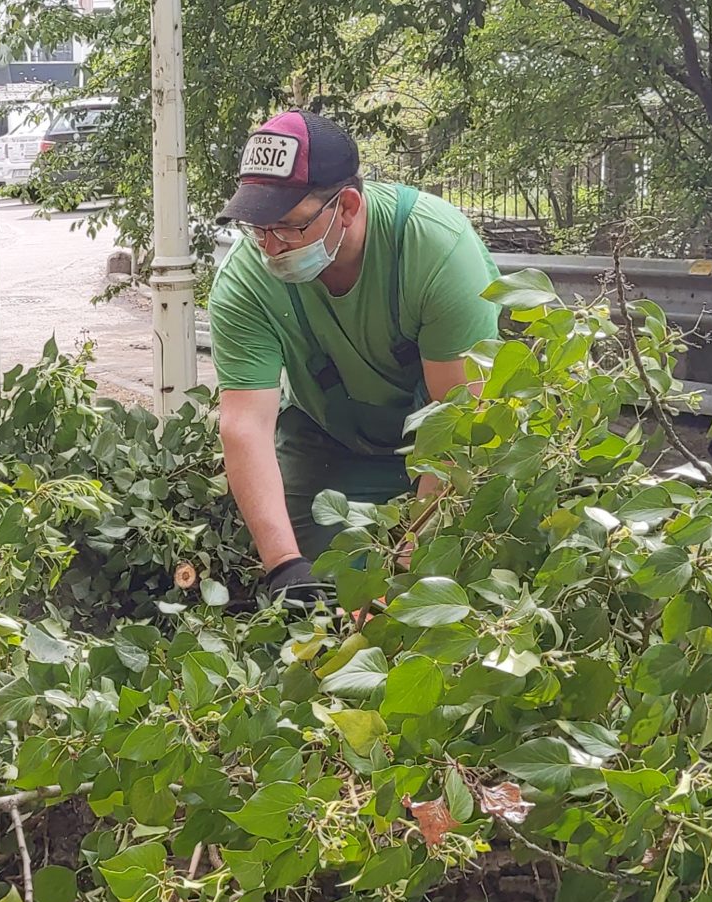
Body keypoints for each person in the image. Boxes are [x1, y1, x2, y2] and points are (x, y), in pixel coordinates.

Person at [207, 110, 501, 602]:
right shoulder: (246, 281)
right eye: (257, 227)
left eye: (288, 227)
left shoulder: (436, 250)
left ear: (345, 206)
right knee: (326, 593)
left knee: (441, 599)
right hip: (328, 444)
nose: (271, 247)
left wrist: (405, 573)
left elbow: (462, 425)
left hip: (435, 443)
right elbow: (244, 427)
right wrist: (284, 567)